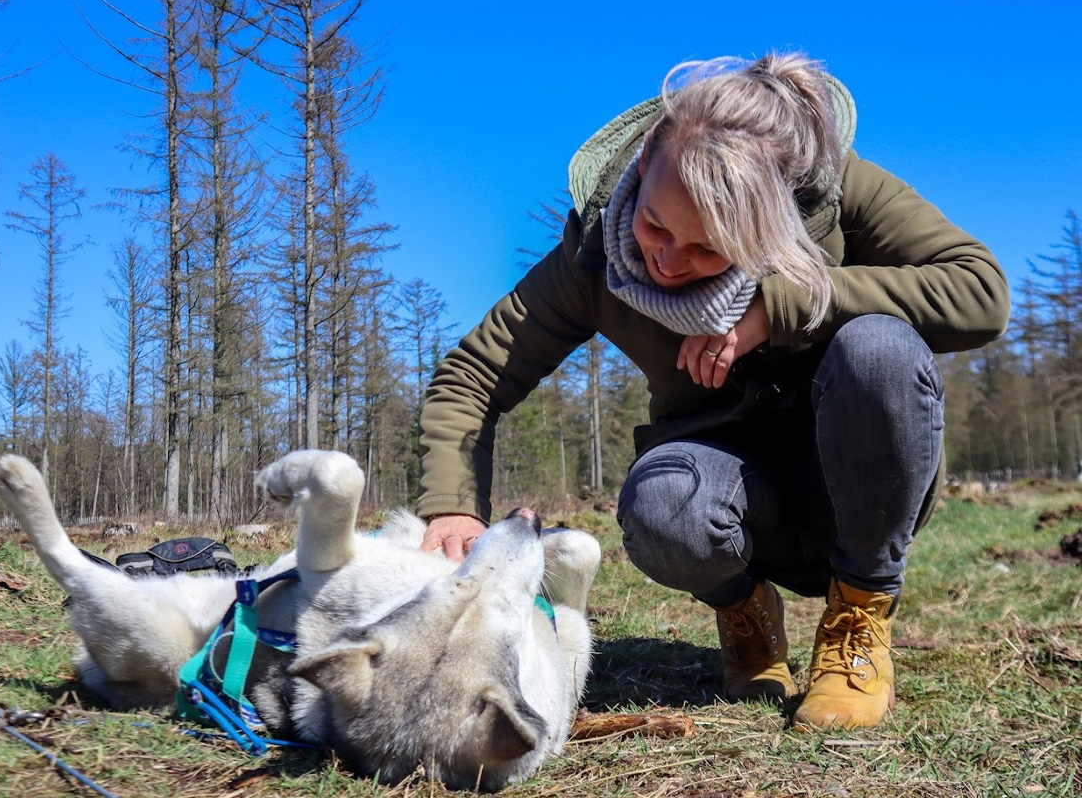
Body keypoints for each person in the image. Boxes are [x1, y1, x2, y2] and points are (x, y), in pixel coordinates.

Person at [414, 53, 1009, 729]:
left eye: (709, 248)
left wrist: (782, 307)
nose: (666, 262)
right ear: (642, 169)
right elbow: (473, 375)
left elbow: (980, 292)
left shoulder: (837, 191)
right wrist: (453, 508)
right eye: (658, 225)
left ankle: (858, 616)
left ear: (773, 223)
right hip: (716, 490)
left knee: (880, 350)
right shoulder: (597, 255)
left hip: (855, 482)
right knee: (663, 503)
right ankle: (745, 608)